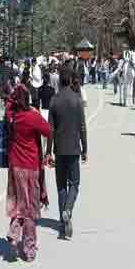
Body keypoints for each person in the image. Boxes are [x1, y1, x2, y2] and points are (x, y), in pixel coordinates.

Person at [4, 85, 50, 262]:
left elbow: (9, 104)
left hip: (15, 166)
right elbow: (49, 131)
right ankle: (28, 247)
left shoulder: (12, 116)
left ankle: (14, 233)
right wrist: (48, 153)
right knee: (30, 208)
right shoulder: (32, 116)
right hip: (30, 167)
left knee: (18, 203)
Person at [45, 68, 87, 240]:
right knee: (74, 184)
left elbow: (50, 129)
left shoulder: (54, 100)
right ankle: (68, 210)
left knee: (61, 186)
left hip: (60, 149)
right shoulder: (77, 100)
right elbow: (82, 127)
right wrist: (85, 149)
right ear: (70, 81)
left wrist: (48, 151)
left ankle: (63, 224)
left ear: (59, 81)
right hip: (74, 148)